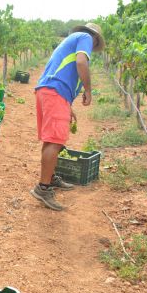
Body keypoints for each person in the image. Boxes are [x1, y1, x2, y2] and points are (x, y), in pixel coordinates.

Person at [30, 22, 105, 211]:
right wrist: (88, 90)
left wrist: (67, 105)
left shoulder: (72, 40)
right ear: (96, 38)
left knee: (51, 140)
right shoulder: (86, 38)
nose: (93, 49)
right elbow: (81, 62)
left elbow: (66, 73)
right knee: (55, 141)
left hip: (50, 92)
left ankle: (49, 177)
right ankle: (43, 188)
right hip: (54, 93)